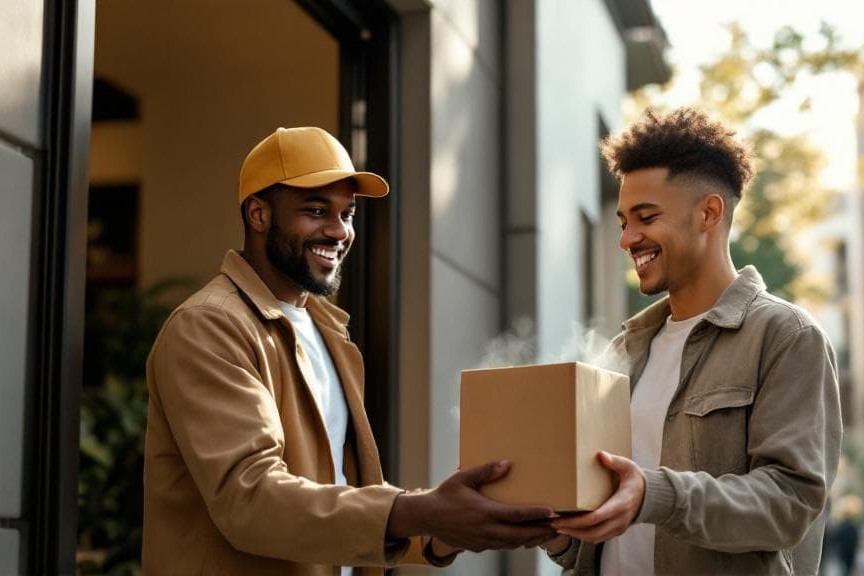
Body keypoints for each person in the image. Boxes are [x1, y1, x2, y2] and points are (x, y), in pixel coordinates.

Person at [142, 127, 556, 576]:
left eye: (348, 214)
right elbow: (251, 497)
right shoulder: (209, 325)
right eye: (317, 211)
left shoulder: (327, 330)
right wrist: (421, 511)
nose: (339, 231)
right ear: (258, 215)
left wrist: (440, 531)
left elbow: (335, 489)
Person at [544, 108, 842, 574]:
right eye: (623, 220)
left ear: (709, 212)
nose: (627, 238)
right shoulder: (625, 350)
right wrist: (554, 521)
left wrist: (656, 495)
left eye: (645, 217)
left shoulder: (786, 337)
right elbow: (595, 524)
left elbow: (789, 504)